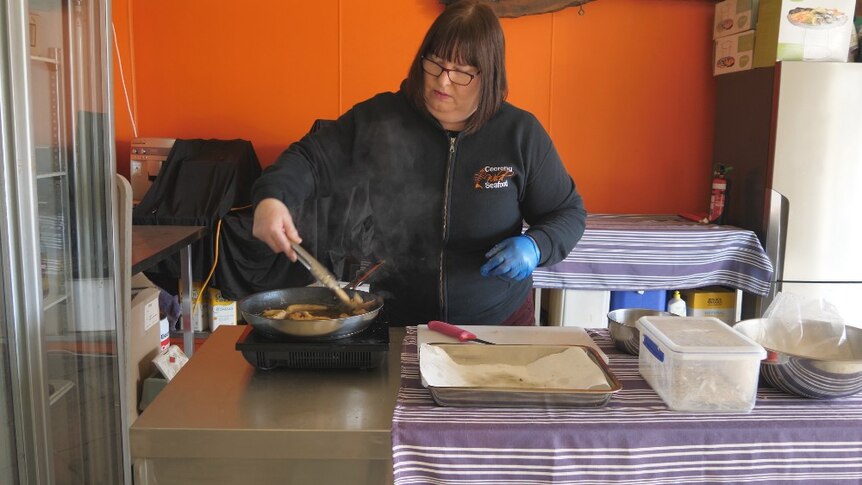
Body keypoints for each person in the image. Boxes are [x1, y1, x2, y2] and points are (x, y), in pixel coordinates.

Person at [251, 0, 586, 326]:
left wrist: (536, 245)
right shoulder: (382, 117)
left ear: (488, 76)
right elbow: (309, 159)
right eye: (436, 63)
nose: (442, 81)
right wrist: (272, 198)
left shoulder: (520, 133)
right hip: (401, 320)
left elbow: (567, 213)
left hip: (497, 322)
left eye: (461, 73)